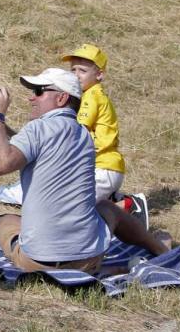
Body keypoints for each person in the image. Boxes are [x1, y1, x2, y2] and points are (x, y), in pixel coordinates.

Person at [0, 68, 169, 272]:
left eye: (39, 91)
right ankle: (159, 250)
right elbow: (20, 148)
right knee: (108, 208)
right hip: (89, 259)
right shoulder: (82, 134)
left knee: (7, 221)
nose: (31, 98)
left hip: (38, 263)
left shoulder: (38, 129)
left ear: (62, 98)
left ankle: (27, 255)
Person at [63, 43, 148, 227]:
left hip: (103, 167)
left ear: (99, 75)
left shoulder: (91, 97)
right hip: (103, 166)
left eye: (82, 71)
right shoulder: (90, 95)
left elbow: (79, 130)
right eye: (73, 69)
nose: (75, 75)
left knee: (75, 207)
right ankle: (114, 201)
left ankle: (129, 205)